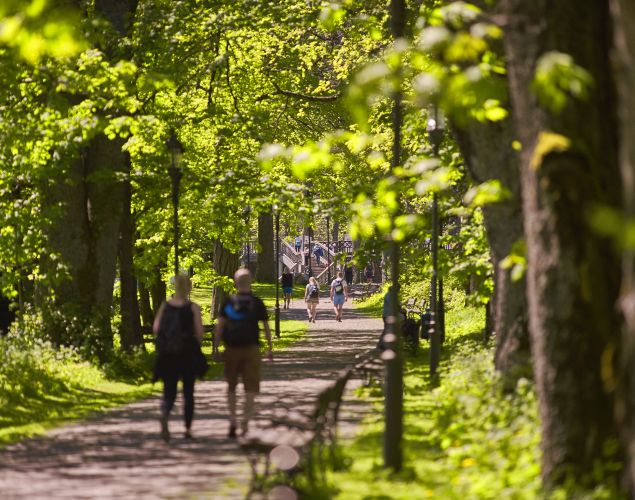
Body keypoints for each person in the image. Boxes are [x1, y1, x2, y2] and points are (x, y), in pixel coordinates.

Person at [214, 268, 273, 438]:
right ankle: (245, 423)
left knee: (231, 387)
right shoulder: (257, 303)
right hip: (251, 350)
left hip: (231, 350)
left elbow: (220, 327)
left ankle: (233, 419)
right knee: (251, 388)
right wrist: (269, 348)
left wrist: (216, 348)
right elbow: (266, 328)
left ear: (235, 282)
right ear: (251, 281)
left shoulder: (228, 303)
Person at [153, 274, 204, 441]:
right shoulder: (192, 307)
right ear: (189, 287)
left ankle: (165, 412)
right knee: (188, 393)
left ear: (175, 287)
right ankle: (188, 429)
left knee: (169, 391)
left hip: (168, 355)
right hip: (187, 354)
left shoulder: (165, 306)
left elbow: (156, 329)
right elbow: (199, 333)